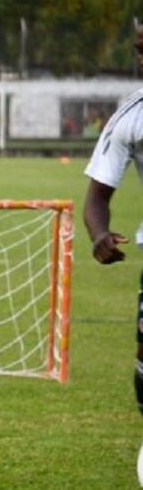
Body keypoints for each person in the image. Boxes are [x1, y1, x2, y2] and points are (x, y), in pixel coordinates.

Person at [82, 26, 143, 422]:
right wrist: (99, 234)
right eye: (139, 49)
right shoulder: (131, 115)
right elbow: (96, 197)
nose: (141, 57)